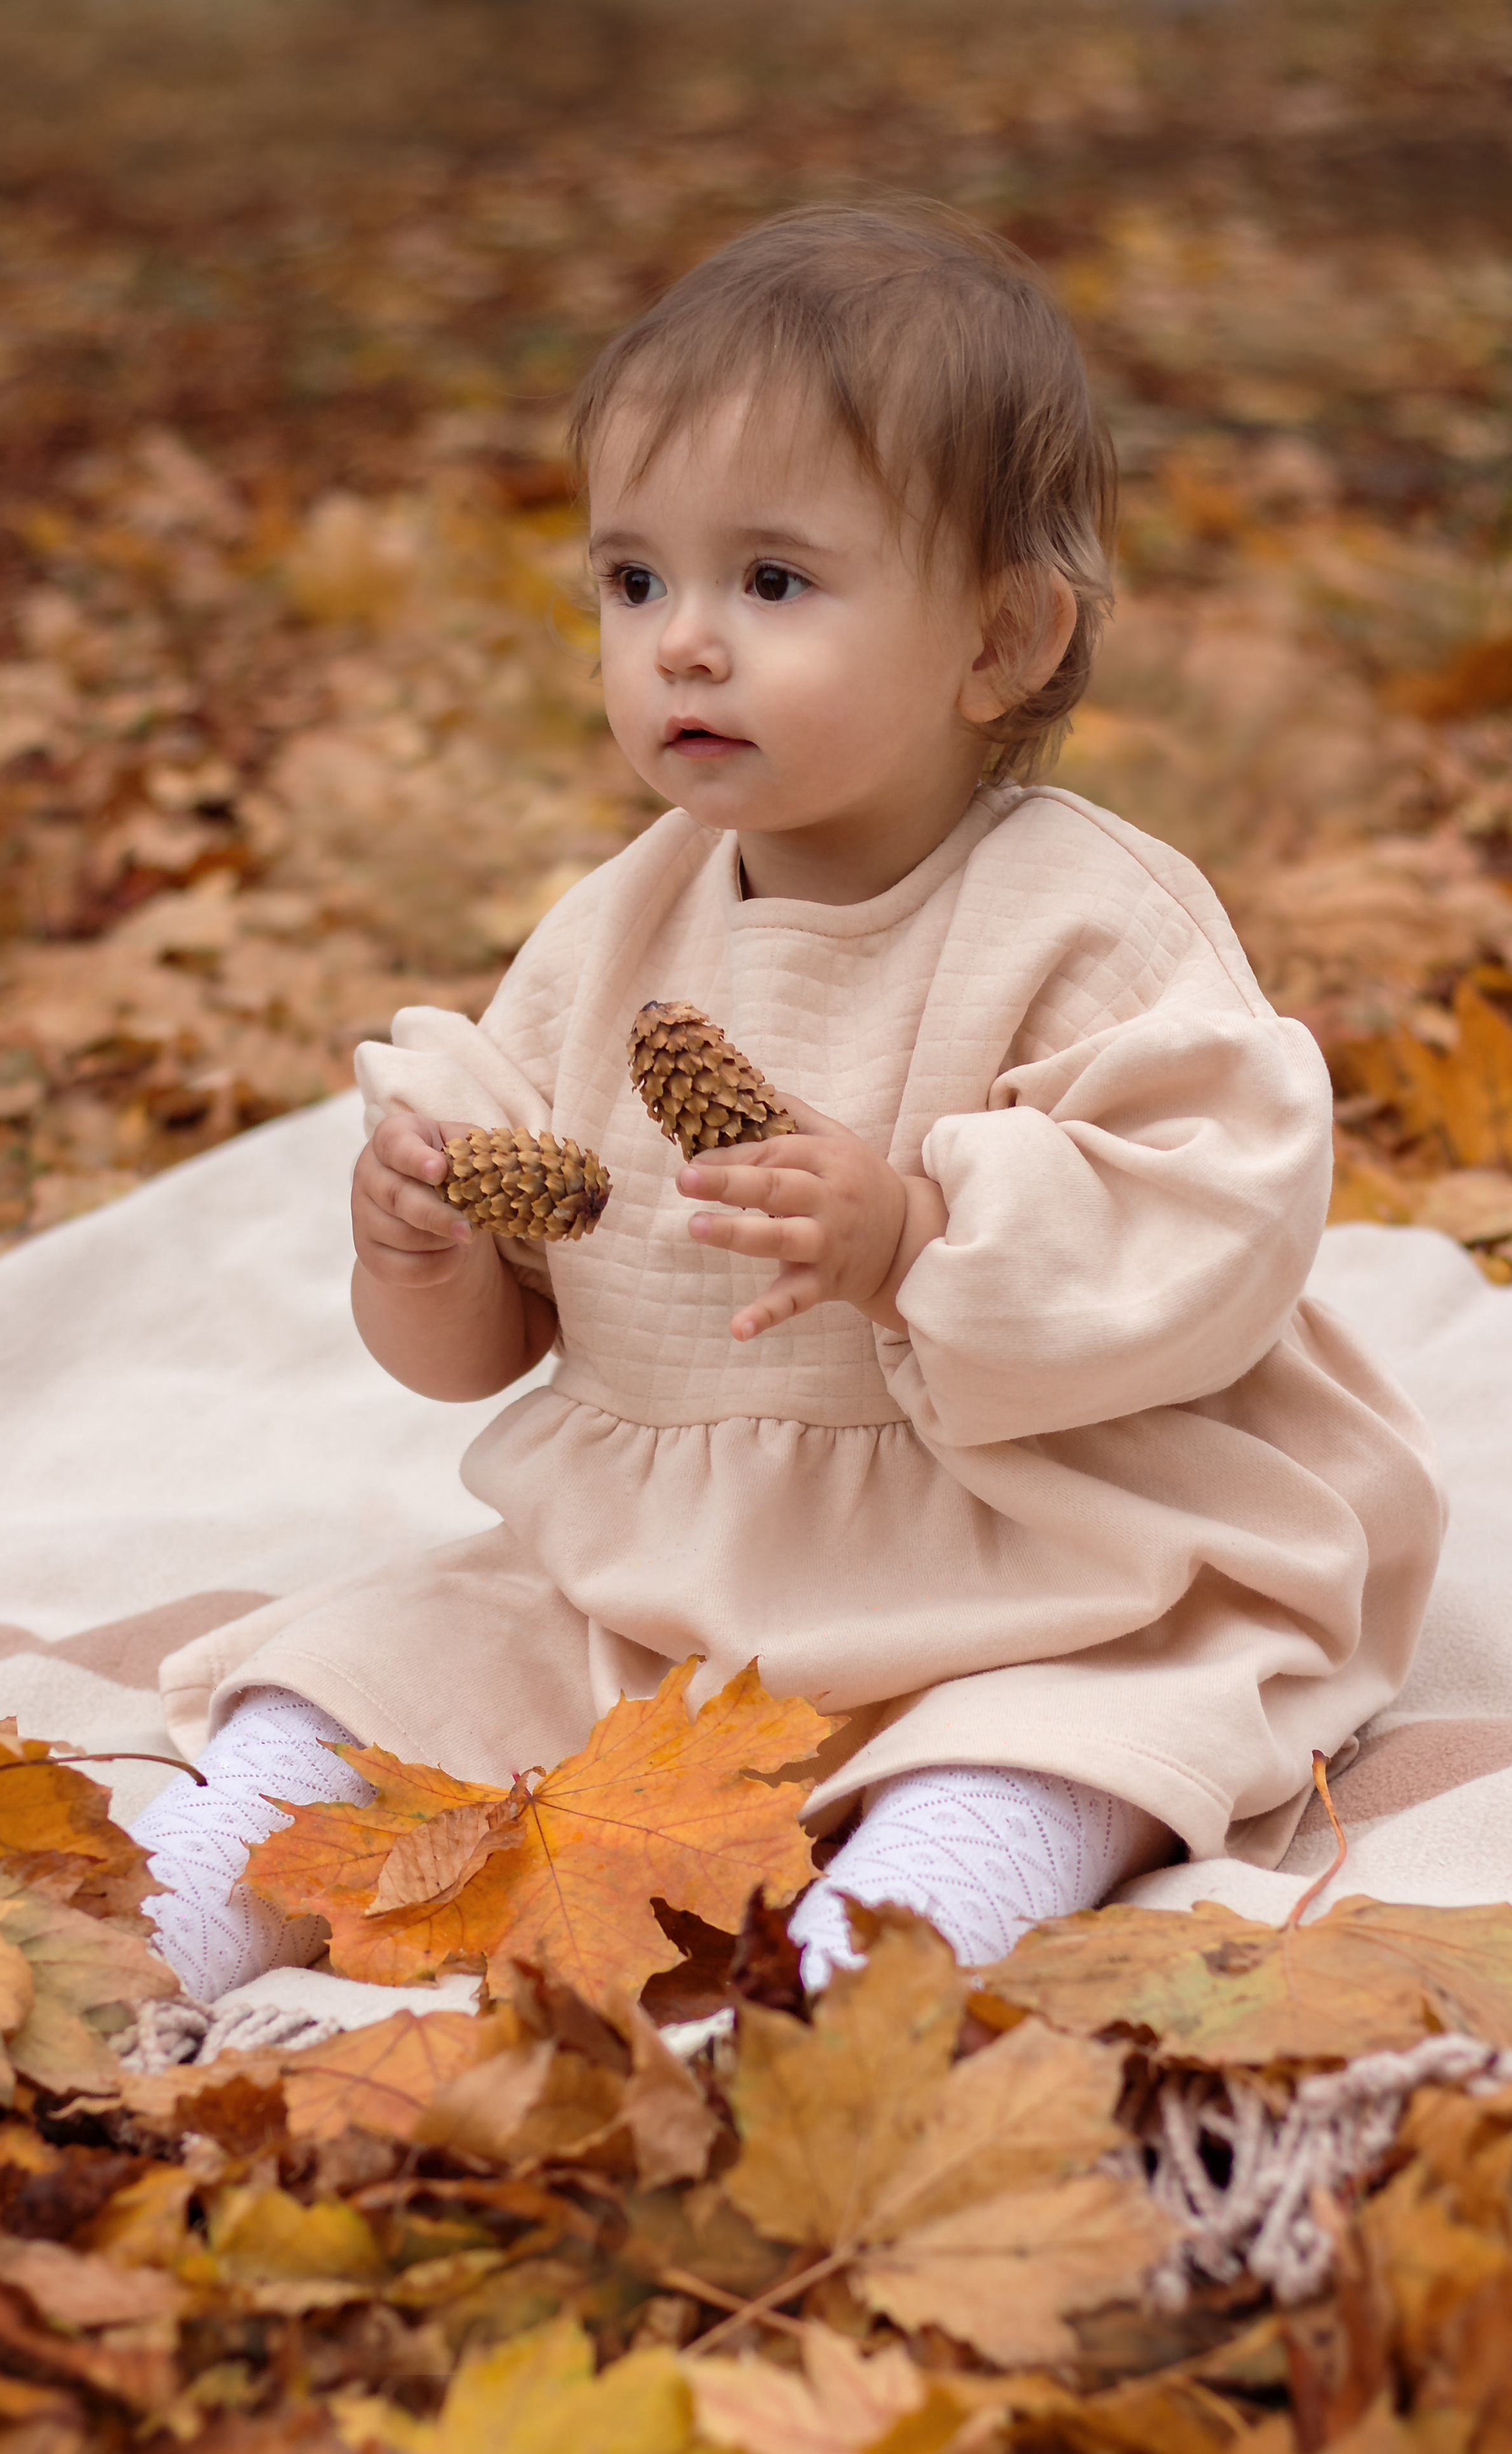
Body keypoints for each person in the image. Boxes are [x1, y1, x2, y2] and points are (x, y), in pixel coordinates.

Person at [134, 203, 1444, 2004]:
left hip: (1034, 1554)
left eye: (771, 583)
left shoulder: (1081, 917)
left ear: (1002, 638)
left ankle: (863, 1964)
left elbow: (1211, 1218)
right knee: (365, 1669)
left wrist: (918, 1231)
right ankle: (162, 1920)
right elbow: (488, 1343)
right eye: (634, 580)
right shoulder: (617, 934)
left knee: (1058, 1749)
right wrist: (428, 1246)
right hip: (669, 1584)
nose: (682, 642)